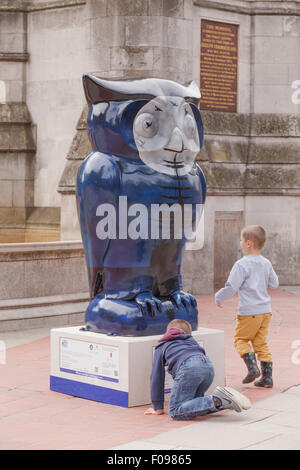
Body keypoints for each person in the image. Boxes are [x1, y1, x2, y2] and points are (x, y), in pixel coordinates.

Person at [144, 319, 251, 419]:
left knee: (175, 411)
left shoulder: (162, 345)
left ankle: (218, 400)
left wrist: (157, 407)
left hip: (189, 368)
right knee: (194, 406)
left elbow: (156, 376)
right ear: (189, 334)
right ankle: (225, 402)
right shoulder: (191, 341)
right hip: (208, 367)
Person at [215, 225, 279, 388]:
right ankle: (267, 378)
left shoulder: (241, 264)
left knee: (240, 340)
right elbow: (275, 283)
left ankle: (252, 368)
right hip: (265, 311)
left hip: (249, 312)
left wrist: (219, 298)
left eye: (242, 240)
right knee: (261, 343)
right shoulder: (266, 263)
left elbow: (231, 287)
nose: (240, 243)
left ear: (249, 243)